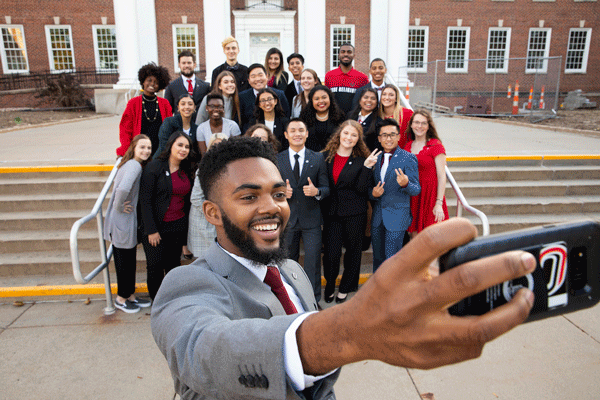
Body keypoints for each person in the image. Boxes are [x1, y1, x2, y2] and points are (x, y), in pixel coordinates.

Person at [151, 136, 537, 400]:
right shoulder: (185, 284)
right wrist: (351, 331)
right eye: (249, 196)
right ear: (212, 212)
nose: (271, 207)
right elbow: (203, 349)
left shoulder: (293, 271)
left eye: (279, 193)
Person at [321, 120, 376, 304]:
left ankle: (345, 287)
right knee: (331, 253)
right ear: (339, 134)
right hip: (331, 213)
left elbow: (361, 189)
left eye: (354, 135)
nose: (349, 138)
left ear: (358, 139)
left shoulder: (362, 160)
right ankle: (330, 284)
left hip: (355, 213)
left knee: (353, 252)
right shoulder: (325, 156)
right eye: (346, 133)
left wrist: (367, 167)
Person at [276, 119, 329, 302]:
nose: (297, 133)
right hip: (287, 220)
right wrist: (281, 193)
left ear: (307, 134)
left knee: (312, 262)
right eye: (293, 130)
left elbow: (326, 187)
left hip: (312, 220)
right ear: (286, 135)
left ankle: (313, 300)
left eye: (301, 130)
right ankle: (290, 299)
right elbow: (270, 190)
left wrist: (317, 192)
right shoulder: (277, 159)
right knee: (287, 262)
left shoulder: (317, 158)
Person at [140, 132, 194, 300]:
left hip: (177, 227)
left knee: (173, 267)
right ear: (171, 145)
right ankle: (157, 301)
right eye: (180, 145)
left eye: (187, 147)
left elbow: (187, 203)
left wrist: (185, 239)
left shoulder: (187, 170)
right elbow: (145, 201)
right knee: (155, 267)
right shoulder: (154, 167)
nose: (183, 149)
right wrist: (151, 230)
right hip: (156, 227)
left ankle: (172, 300)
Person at [104, 135, 153, 313]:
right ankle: (121, 298)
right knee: (124, 261)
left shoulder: (131, 164)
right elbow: (122, 189)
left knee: (128, 259)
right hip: (122, 221)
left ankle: (130, 294)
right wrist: (119, 206)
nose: (146, 151)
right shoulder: (133, 165)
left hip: (124, 222)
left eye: (148, 147)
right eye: (142, 147)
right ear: (133, 147)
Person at [370, 119, 420, 272]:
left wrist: (406, 183)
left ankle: (391, 294)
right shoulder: (375, 158)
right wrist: (373, 193)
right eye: (384, 135)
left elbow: (416, 189)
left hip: (397, 217)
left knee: (392, 260)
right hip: (378, 218)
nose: (388, 138)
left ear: (399, 137)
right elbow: (370, 188)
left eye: (392, 135)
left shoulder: (408, 157)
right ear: (379, 138)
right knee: (378, 259)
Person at [404, 110, 449, 234]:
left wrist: (438, 203)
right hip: (413, 195)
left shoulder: (435, 145)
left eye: (424, 123)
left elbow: (441, 176)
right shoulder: (407, 146)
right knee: (414, 236)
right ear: (411, 125)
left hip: (430, 196)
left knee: (431, 236)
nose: (420, 126)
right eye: (417, 122)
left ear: (428, 126)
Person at [116, 63, 172, 157]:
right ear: (143, 82)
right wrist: (128, 150)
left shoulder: (165, 104)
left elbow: (170, 128)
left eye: (156, 82)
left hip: (159, 151)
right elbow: (125, 129)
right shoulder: (133, 103)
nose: (152, 84)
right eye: (149, 80)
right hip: (139, 152)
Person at [187, 134, 227, 260]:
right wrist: (217, 212)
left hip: (220, 220)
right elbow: (196, 198)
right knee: (204, 263)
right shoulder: (203, 169)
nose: (218, 149)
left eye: (222, 145)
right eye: (214, 145)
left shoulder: (230, 168)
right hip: (203, 221)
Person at [239, 63, 290, 132]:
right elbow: (241, 121)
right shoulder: (242, 97)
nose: (257, 79)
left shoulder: (279, 94)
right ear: (249, 80)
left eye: (260, 75)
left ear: (267, 76)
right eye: (253, 76)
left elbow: (286, 116)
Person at [164, 50, 210, 122]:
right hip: (179, 127)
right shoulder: (171, 87)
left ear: (194, 64)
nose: (186, 66)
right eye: (183, 63)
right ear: (179, 65)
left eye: (189, 63)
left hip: (199, 127)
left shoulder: (205, 86)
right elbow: (168, 111)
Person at [324, 43, 369, 115]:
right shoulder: (329, 76)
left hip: (354, 119)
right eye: (343, 52)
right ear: (338, 55)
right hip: (334, 119)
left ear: (354, 56)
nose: (346, 54)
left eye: (349, 52)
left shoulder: (362, 78)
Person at [299, 85, 345, 152]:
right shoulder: (304, 116)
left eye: (324, 97)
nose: (321, 101)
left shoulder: (340, 116)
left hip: (333, 155)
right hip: (311, 157)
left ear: (330, 98)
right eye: (317, 99)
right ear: (311, 101)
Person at [154, 93, 200, 160]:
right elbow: (164, 145)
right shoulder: (169, 122)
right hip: (163, 160)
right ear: (178, 107)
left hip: (186, 165)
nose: (186, 107)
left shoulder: (196, 128)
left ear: (194, 107)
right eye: (183, 104)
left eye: (190, 104)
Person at [378, 84, 413, 149]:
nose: (387, 97)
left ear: (396, 98)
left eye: (391, 95)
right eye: (384, 94)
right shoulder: (377, 115)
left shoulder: (407, 114)